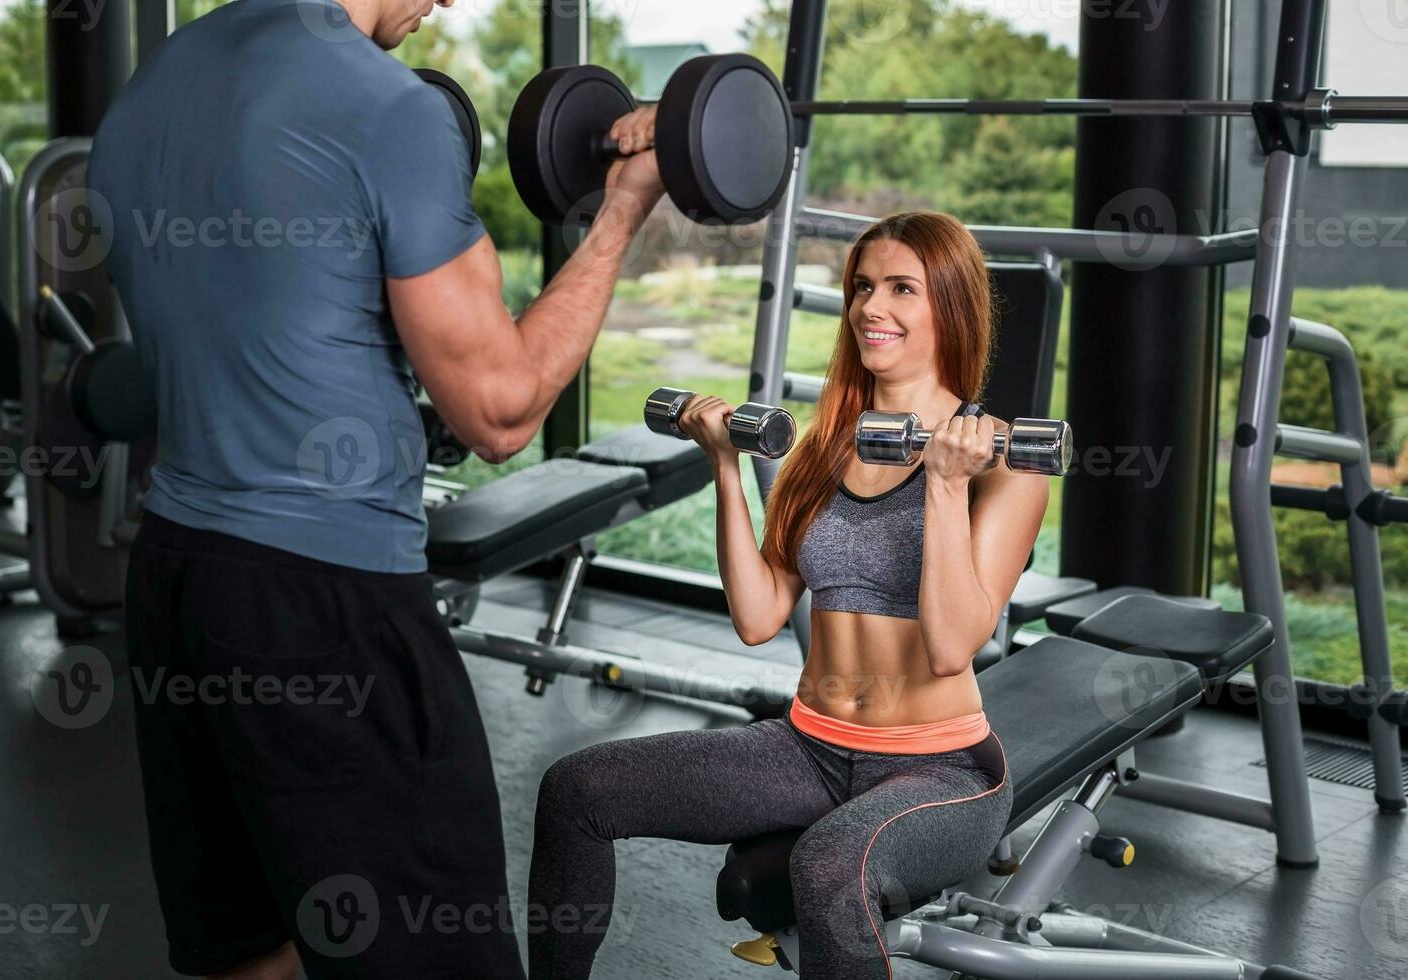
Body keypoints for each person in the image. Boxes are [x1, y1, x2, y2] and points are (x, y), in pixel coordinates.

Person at [87, 0, 664, 974]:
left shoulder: (154, 87)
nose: (443, 2)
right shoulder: (390, 110)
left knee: (243, 945)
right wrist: (622, 211)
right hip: (328, 602)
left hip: (177, 577)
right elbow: (502, 409)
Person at [527, 211, 1048, 979]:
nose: (872, 308)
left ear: (951, 304)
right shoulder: (825, 448)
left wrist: (942, 483)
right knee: (577, 790)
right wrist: (725, 467)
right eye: (863, 286)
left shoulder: (1005, 465)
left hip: (942, 771)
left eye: (902, 288)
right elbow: (759, 614)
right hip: (808, 748)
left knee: (830, 865)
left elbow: (950, 646)